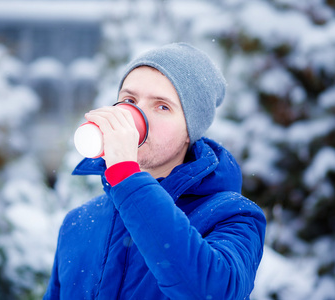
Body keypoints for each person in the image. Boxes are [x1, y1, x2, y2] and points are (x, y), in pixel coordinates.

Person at [43, 43, 266, 300]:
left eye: (162, 106)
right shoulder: (79, 221)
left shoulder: (234, 216)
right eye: (129, 100)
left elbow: (210, 292)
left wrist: (127, 176)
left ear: (189, 132)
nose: (136, 115)